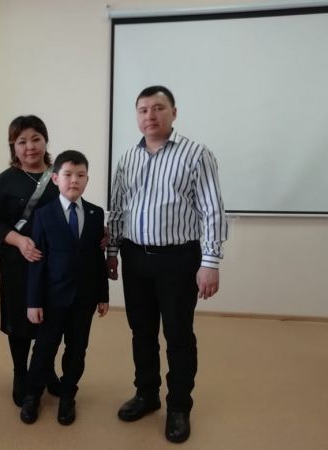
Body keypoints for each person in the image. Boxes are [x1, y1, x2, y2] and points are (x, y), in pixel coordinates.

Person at [107, 86, 227, 443]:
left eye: (158, 108)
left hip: (178, 259)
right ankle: (146, 394)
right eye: (143, 109)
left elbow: (212, 210)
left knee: (178, 335)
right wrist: (112, 252)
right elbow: (118, 209)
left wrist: (210, 262)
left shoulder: (196, 154)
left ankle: (178, 406)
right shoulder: (127, 158)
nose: (150, 116)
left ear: (174, 112)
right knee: (141, 332)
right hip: (135, 257)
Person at [19, 150, 109, 426]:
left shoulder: (95, 214)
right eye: (68, 174)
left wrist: (103, 295)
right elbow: (37, 261)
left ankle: (68, 395)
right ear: (56, 178)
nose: (74, 180)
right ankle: (32, 395)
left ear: (87, 179)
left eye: (80, 175)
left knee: (77, 349)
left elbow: (97, 258)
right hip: (52, 298)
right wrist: (33, 302)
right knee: (44, 348)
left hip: (84, 298)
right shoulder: (43, 214)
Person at [0, 115, 61, 406]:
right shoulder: (5, 181)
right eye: (22, 141)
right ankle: (20, 372)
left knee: (51, 318)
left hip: (52, 263)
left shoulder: (59, 176)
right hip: (16, 261)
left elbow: (73, 210)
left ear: (45, 141)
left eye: (36, 139)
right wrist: (19, 241)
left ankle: (46, 368)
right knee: (19, 317)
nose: (30, 147)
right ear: (13, 146)